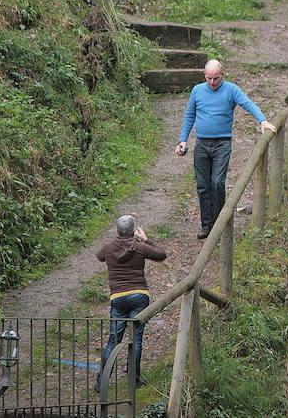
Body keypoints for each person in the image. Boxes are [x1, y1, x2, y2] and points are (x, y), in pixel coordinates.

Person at [176, 59, 276, 239]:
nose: (212, 82)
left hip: (222, 143)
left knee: (217, 182)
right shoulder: (197, 90)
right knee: (202, 186)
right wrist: (182, 140)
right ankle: (207, 225)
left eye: (216, 78)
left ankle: (219, 223)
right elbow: (189, 115)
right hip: (202, 144)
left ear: (223, 75)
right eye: (209, 78)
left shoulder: (231, 89)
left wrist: (262, 120)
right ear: (204, 75)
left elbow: (247, 103)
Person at [95, 216, 166, 391]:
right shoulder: (140, 247)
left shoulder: (109, 248)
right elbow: (161, 254)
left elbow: (99, 256)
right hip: (139, 296)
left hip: (117, 298)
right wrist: (146, 239)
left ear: (117, 231)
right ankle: (133, 380)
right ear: (134, 231)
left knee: (113, 340)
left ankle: (101, 382)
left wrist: (116, 241)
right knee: (136, 340)